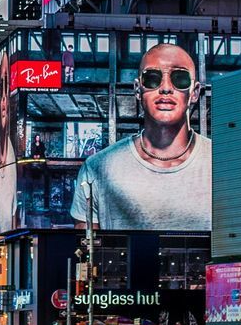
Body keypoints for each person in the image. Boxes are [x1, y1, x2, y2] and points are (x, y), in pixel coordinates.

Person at [70, 44, 212, 232]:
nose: (166, 88)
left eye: (180, 78)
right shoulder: (98, 168)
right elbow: (85, 251)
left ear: (194, 93)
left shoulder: (222, 165)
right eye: (153, 79)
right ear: (138, 89)